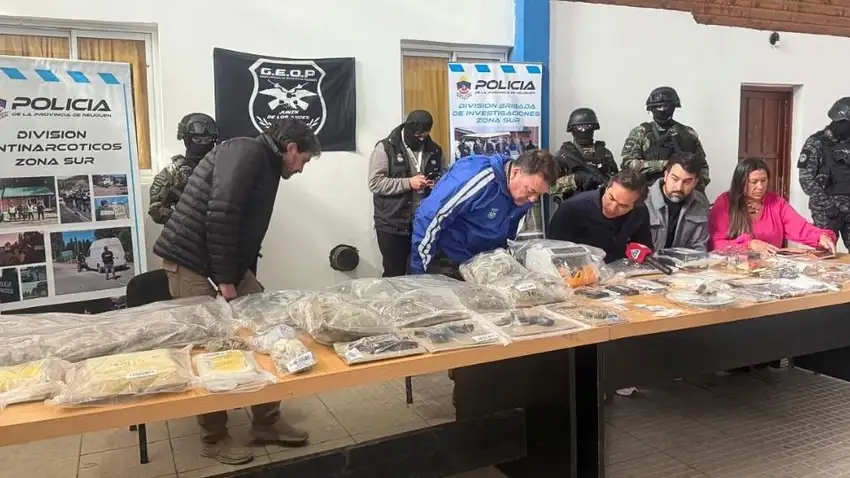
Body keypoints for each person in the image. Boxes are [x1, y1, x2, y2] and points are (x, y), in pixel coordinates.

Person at [152, 118, 321, 465]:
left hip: (221, 259)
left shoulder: (265, 160)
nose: (301, 169)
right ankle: (214, 437)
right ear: (291, 148)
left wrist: (237, 275)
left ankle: (266, 421)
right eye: (303, 160)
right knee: (208, 345)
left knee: (267, 328)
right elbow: (222, 215)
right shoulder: (246, 152)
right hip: (190, 261)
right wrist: (227, 280)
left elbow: (241, 223)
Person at [410, 150, 557, 277]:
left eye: (539, 194)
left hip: (480, 265)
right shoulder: (475, 177)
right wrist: (419, 274)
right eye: (530, 191)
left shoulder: (521, 198)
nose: (533, 199)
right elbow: (429, 217)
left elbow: (509, 236)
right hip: (444, 258)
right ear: (515, 173)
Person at [368, 110, 443, 277]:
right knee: (394, 275)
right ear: (408, 129)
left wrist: (436, 184)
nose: (421, 139)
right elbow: (375, 183)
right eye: (418, 136)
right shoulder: (386, 148)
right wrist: (409, 183)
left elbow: (443, 178)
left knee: (421, 274)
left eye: (424, 136)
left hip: (423, 224)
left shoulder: (435, 150)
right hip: (392, 224)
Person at [709, 157, 836, 253]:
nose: (760, 187)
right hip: (732, 268)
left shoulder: (776, 202)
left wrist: (820, 237)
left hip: (770, 268)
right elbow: (716, 243)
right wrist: (748, 245)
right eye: (754, 182)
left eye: (764, 181)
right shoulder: (725, 202)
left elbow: (800, 228)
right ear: (741, 182)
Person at [547, 170, 652, 262]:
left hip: (622, 272)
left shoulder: (640, 212)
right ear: (607, 188)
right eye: (611, 198)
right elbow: (553, 253)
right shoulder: (571, 208)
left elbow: (643, 249)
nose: (612, 208)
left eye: (623, 206)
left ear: (634, 206)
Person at [621, 86, 710, 191]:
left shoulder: (688, 133)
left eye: (666, 106)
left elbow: (702, 166)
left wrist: (698, 186)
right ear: (651, 108)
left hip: (684, 192)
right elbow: (628, 164)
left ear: (673, 107)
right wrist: (664, 164)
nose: (662, 110)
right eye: (659, 106)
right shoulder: (641, 133)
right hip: (648, 192)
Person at [798, 97, 850, 250]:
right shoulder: (816, 143)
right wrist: (828, 206)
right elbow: (806, 180)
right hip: (826, 211)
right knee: (825, 253)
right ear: (840, 121)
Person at [149, 113, 219, 225]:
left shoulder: (222, 167)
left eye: (208, 140)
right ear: (187, 139)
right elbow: (156, 211)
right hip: (186, 230)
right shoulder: (173, 171)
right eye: (198, 140)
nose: (204, 144)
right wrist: (176, 194)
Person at [644, 152, 710, 251]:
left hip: (685, 260)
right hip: (645, 260)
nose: (679, 187)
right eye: (675, 179)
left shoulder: (701, 203)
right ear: (666, 175)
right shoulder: (644, 199)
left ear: (695, 182)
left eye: (687, 182)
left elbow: (699, 247)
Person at [551, 107, 618, 201]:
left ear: (593, 128)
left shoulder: (605, 154)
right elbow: (550, 187)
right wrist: (576, 179)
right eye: (579, 127)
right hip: (573, 205)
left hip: (602, 204)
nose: (583, 130)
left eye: (587, 126)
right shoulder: (563, 155)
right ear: (572, 129)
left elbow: (617, 181)